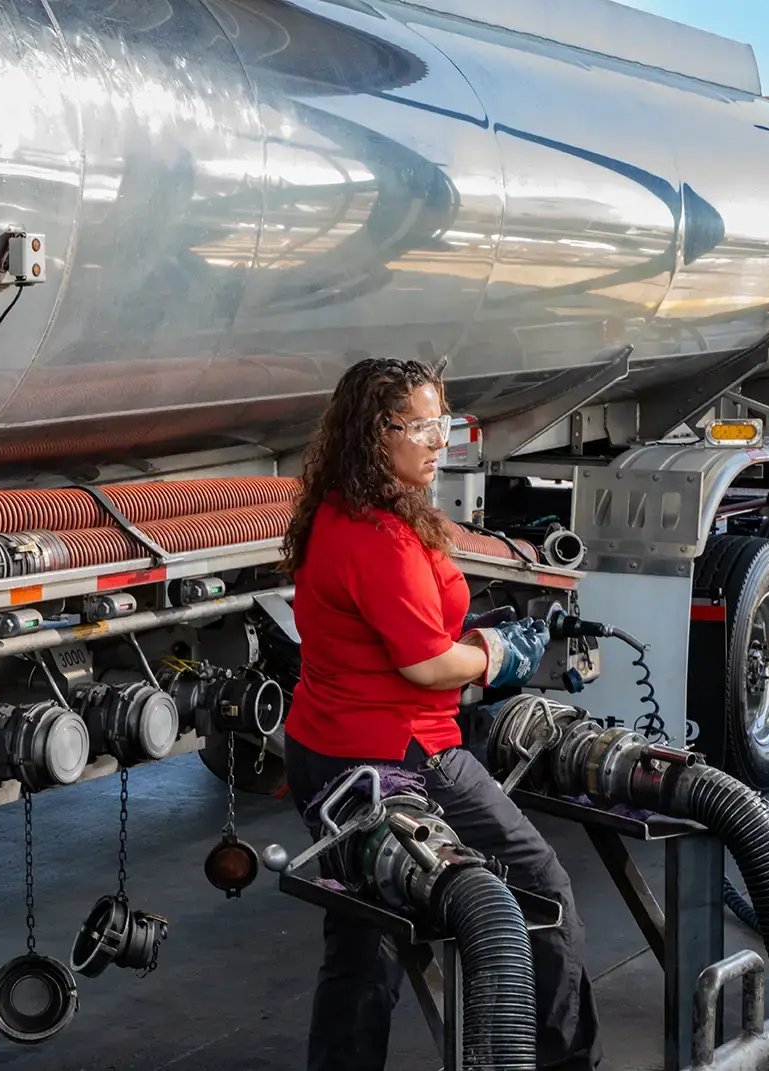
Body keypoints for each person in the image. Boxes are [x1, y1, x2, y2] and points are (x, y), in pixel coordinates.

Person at [278, 357, 602, 1071]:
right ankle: (558, 1060)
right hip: (397, 756)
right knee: (540, 890)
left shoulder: (339, 508)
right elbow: (424, 665)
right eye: (418, 426)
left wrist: (473, 633)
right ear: (373, 432)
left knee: (364, 938)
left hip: (324, 751)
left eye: (441, 423)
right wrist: (497, 653)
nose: (437, 440)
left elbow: (393, 629)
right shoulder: (378, 535)